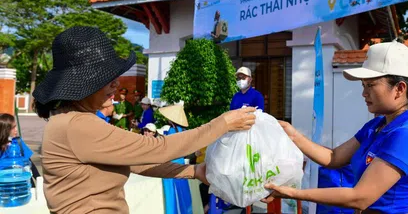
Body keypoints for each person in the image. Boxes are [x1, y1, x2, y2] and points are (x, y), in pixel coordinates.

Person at [32, 26, 256, 214]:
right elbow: (158, 148)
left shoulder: (71, 120)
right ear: (82, 84)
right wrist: (222, 123)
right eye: (106, 78)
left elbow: (134, 161)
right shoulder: (77, 125)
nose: (116, 84)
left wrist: (194, 172)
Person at [263, 41, 408, 214]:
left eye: (371, 85)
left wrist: (291, 192)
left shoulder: (407, 135)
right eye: (363, 85)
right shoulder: (377, 125)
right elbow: (334, 157)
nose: (364, 93)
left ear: (399, 89)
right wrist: (292, 135)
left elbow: (359, 197)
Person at [158, 104, 194, 214]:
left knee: (171, 196)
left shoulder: (171, 131)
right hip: (181, 163)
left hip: (170, 163)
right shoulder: (182, 130)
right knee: (184, 193)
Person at [0, 113, 40, 187]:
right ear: (5, 130)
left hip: (23, 184)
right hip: (5, 188)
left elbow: (29, 162)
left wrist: (39, 178)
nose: (16, 130)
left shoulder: (18, 142)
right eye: (13, 127)